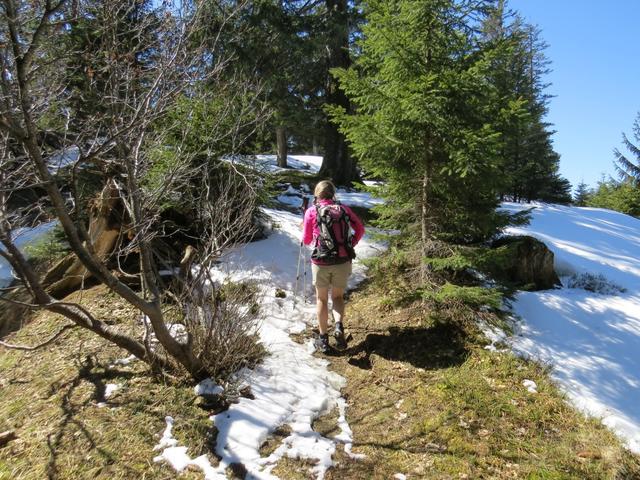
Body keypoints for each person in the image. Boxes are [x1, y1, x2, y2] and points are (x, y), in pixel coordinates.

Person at [302, 180, 365, 353]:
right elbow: (360, 229)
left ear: (317, 194)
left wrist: (306, 229)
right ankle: (338, 326)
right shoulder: (344, 209)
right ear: (333, 194)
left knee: (321, 299)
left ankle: (323, 340)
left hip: (321, 262)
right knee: (337, 297)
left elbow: (307, 240)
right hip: (342, 260)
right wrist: (349, 244)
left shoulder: (311, 211)